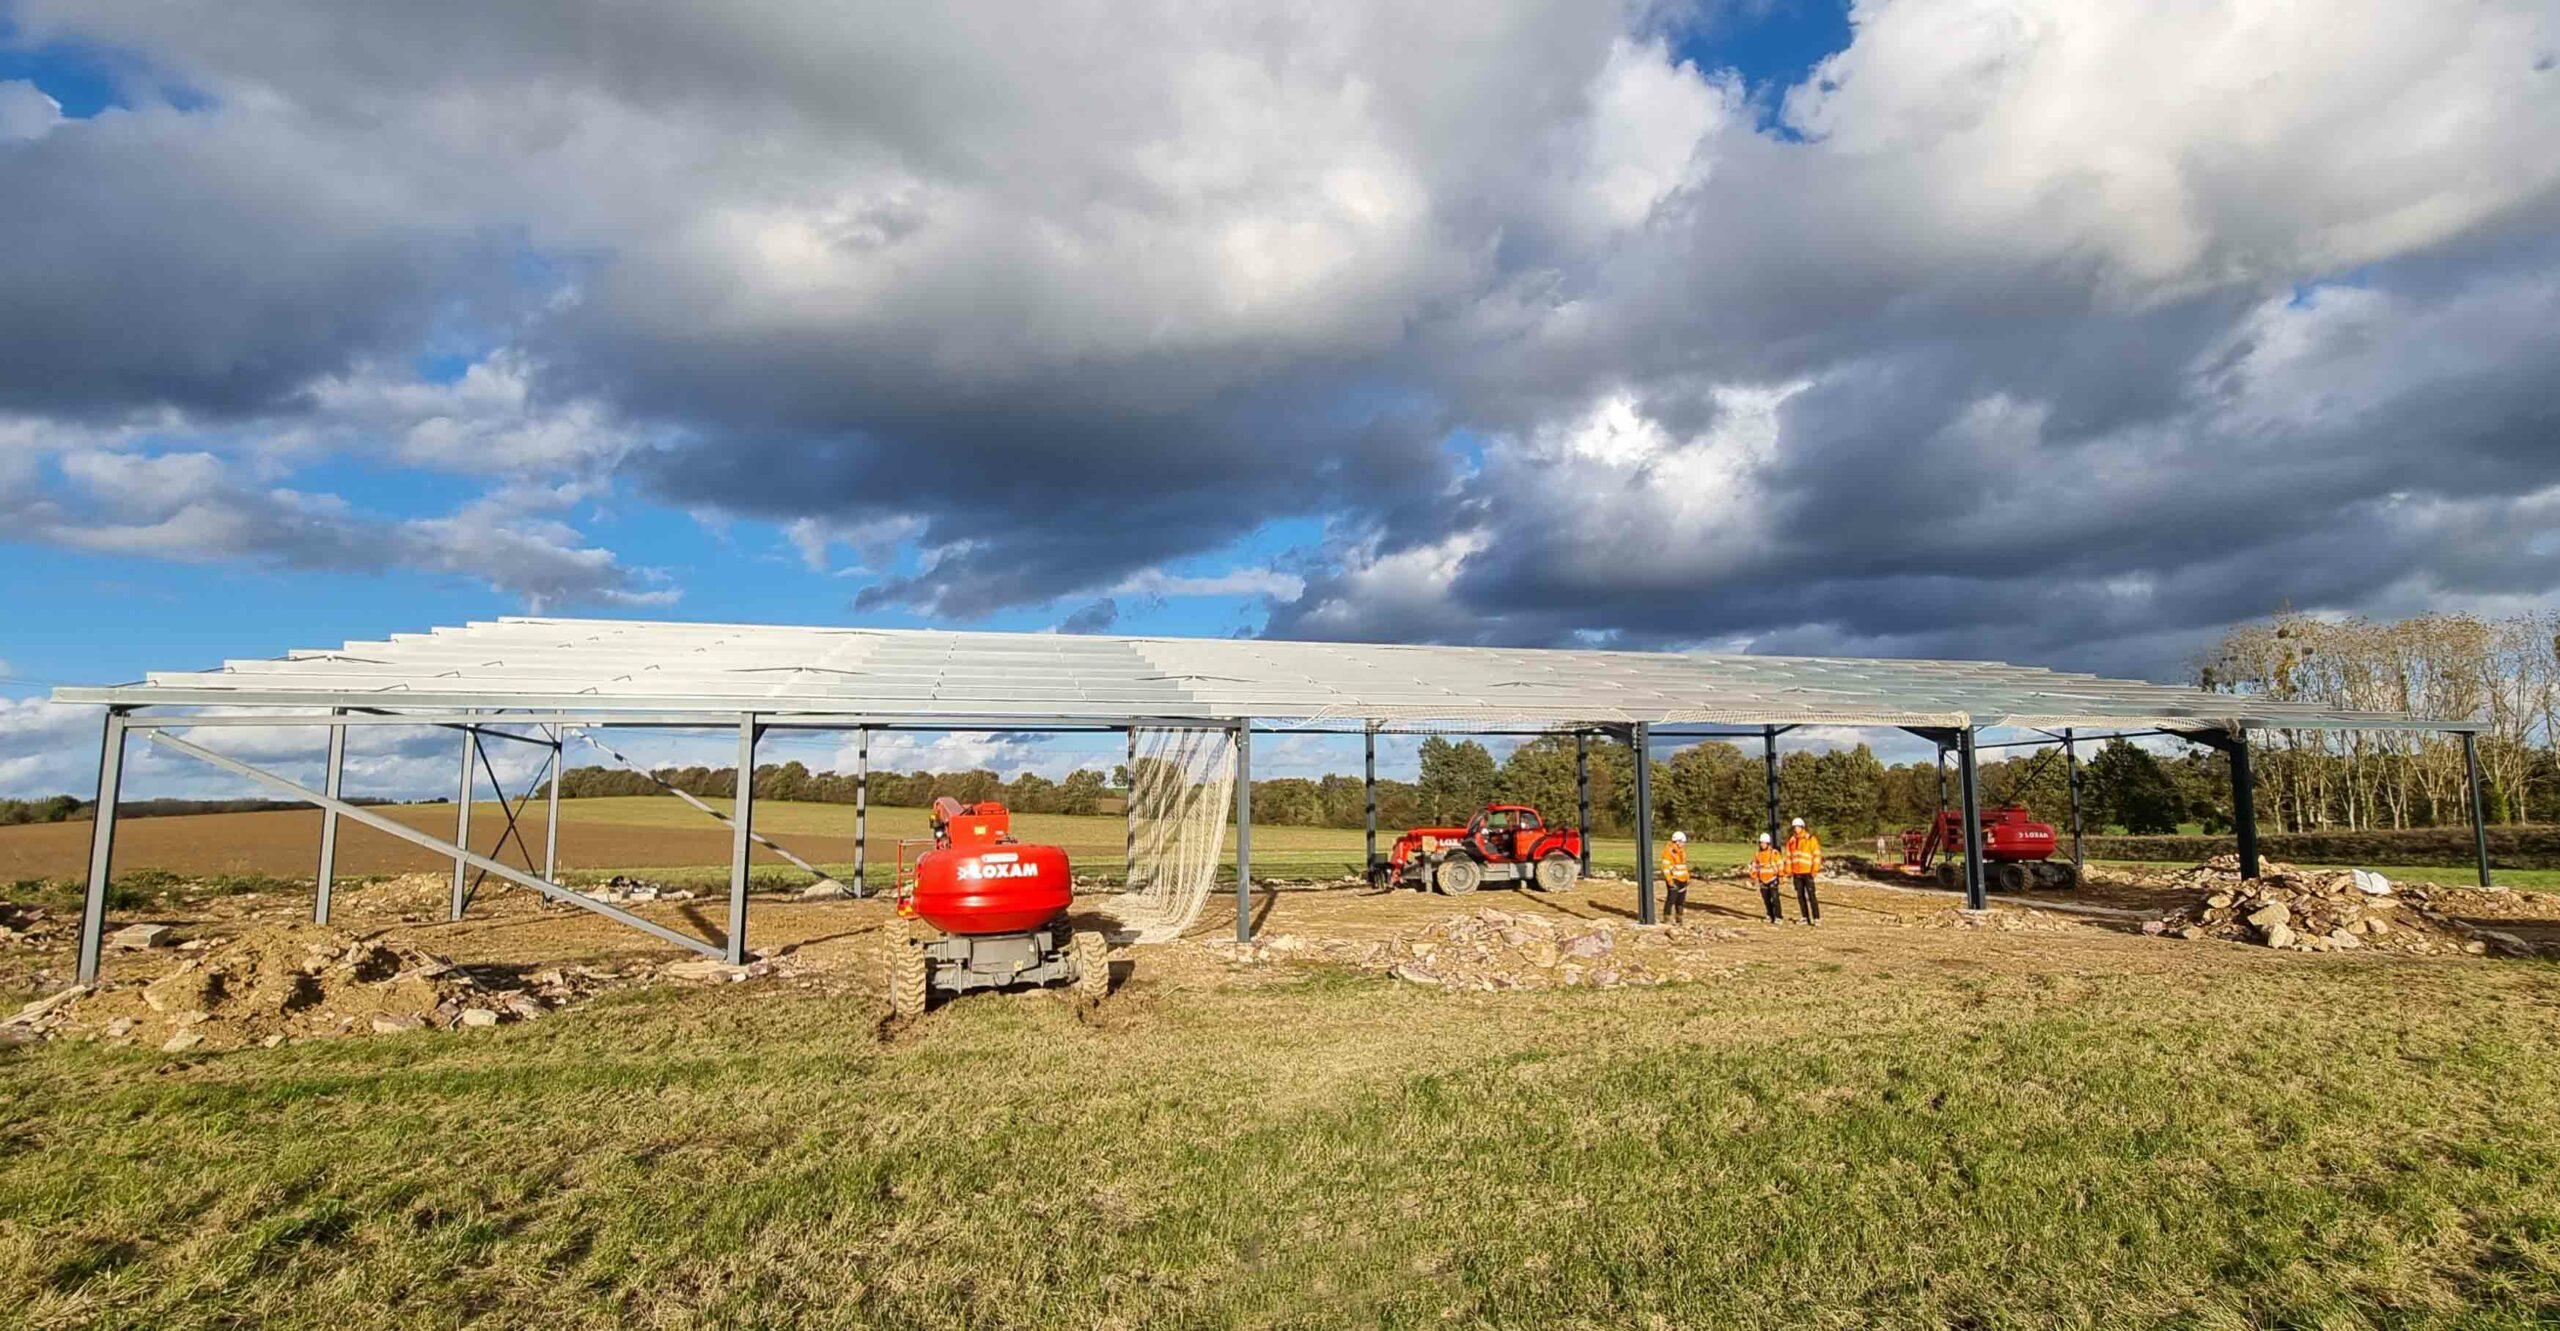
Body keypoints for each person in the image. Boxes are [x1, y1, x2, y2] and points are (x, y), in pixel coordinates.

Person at [1784, 816, 1823, 925]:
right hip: (1796, 873)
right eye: (1794, 827)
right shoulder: (1791, 841)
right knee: (1800, 896)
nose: (1796, 829)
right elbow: (1789, 857)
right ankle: (1805, 917)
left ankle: (1816, 918)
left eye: (1798, 827)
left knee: (1811, 895)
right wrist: (1788, 870)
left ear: (1802, 827)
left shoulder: (1810, 839)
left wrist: (1815, 869)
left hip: (1808, 872)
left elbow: (1816, 855)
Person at [1747, 832, 1786, 924]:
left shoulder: (1774, 853)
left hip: (1772, 878)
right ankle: (1770, 915)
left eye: (1764, 843)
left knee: (1775, 898)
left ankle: (1778, 916)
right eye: (1761, 843)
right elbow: (1754, 866)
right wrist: (1753, 875)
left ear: (1768, 843)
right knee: (1766, 899)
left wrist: (1781, 876)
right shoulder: (1758, 854)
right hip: (1762, 880)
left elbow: (1780, 865)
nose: (1762, 844)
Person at [1660, 830, 1694, 924]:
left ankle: (1679, 918)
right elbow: (1665, 867)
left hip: (1682, 879)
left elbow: (1683, 865)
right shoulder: (1668, 852)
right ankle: (1666, 918)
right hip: (1674, 879)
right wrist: (1669, 880)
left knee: (1681, 900)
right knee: (1671, 899)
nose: (1683, 844)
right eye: (1682, 842)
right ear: (1677, 841)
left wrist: (1687, 878)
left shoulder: (1681, 852)